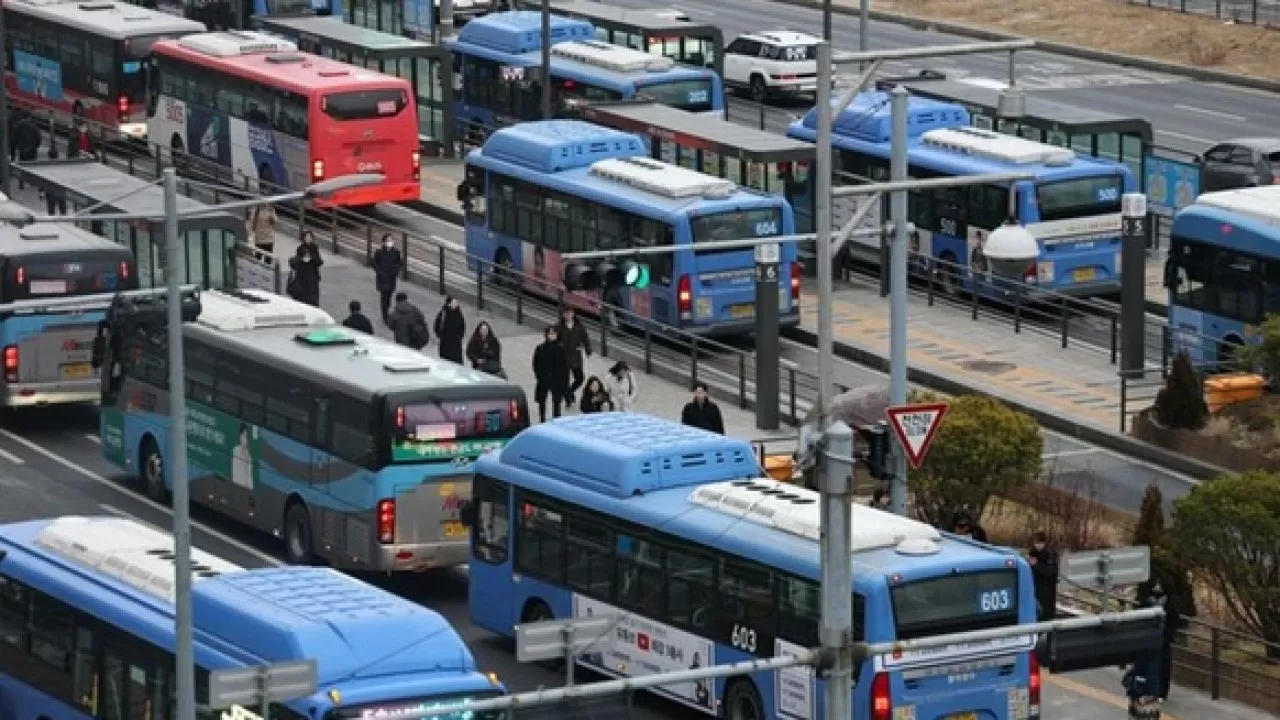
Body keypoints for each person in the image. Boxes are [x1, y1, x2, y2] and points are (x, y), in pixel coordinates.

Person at [532, 326, 569, 423]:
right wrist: (539, 376)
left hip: (557, 379)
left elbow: (564, 367)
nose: (552, 335)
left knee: (556, 401)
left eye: (554, 333)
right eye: (550, 333)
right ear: (546, 335)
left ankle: (556, 420)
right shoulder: (540, 348)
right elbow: (536, 364)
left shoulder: (561, 349)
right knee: (542, 400)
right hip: (543, 378)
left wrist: (564, 382)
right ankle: (542, 419)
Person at [556, 306, 592, 403]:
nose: (568, 315)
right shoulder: (559, 327)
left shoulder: (579, 326)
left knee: (580, 378)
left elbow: (585, 338)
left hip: (576, 356)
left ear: (573, 314)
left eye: (570, 313)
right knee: (565, 380)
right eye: (565, 313)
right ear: (563, 315)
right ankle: (568, 398)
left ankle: (570, 392)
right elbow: (555, 340)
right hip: (564, 357)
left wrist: (588, 349)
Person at [1028, 531, 1059, 621]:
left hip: (1047, 591)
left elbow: (1050, 573)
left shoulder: (1050, 554)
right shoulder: (1033, 553)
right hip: (1036, 588)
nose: (1037, 545)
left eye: (1039, 543)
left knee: (1046, 615)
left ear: (1044, 543)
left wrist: (1036, 564)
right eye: (1035, 543)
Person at [371, 233, 403, 321]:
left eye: (391, 240)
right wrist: (380, 272)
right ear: (384, 242)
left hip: (391, 278)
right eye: (388, 240)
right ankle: (385, 315)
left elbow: (399, 263)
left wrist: (395, 272)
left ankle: (387, 310)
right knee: (383, 297)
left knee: (389, 297)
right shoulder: (379, 252)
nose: (390, 242)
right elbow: (374, 263)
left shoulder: (396, 252)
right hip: (382, 278)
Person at [288, 231, 323, 306]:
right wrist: (302, 259)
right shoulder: (300, 248)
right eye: (306, 237)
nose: (308, 239)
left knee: (313, 296)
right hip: (302, 277)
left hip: (313, 277)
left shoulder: (315, 247)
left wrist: (311, 258)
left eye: (310, 237)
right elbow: (296, 261)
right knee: (304, 296)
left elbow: (319, 261)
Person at [434, 296, 466, 363]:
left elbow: (463, 327)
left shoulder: (459, 314)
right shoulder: (443, 314)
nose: (456, 304)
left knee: (457, 364)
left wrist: (459, 337)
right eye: (454, 302)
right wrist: (442, 336)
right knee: (445, 363)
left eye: (456, 302)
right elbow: (437, 326)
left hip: (456, 344)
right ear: (448, 304)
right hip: (445, 344)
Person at [231, 424, 254, 490]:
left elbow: (249, 477)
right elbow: (235, 473)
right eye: (243, 435)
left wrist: (249, 488)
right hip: (237, 487)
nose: (244, 439)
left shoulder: (249, 456)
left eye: (246, 436)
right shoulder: (235, 450)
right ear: (240, 436)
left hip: (246, 489)